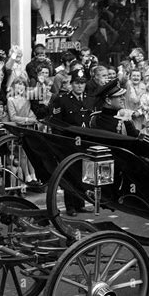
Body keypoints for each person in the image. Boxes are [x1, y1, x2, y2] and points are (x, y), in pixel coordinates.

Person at [50, 69, 95, 216]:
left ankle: (80, 203)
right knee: (70, 174)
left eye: (82, 83)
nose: (80, 86)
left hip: (86, 142)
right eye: (76, 83)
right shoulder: (62, 99)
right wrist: (59, 143)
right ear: (71, 84)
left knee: (83, 173)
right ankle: (70, 206)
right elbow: (56, 123)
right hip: (69, 142)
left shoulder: (90, 99)